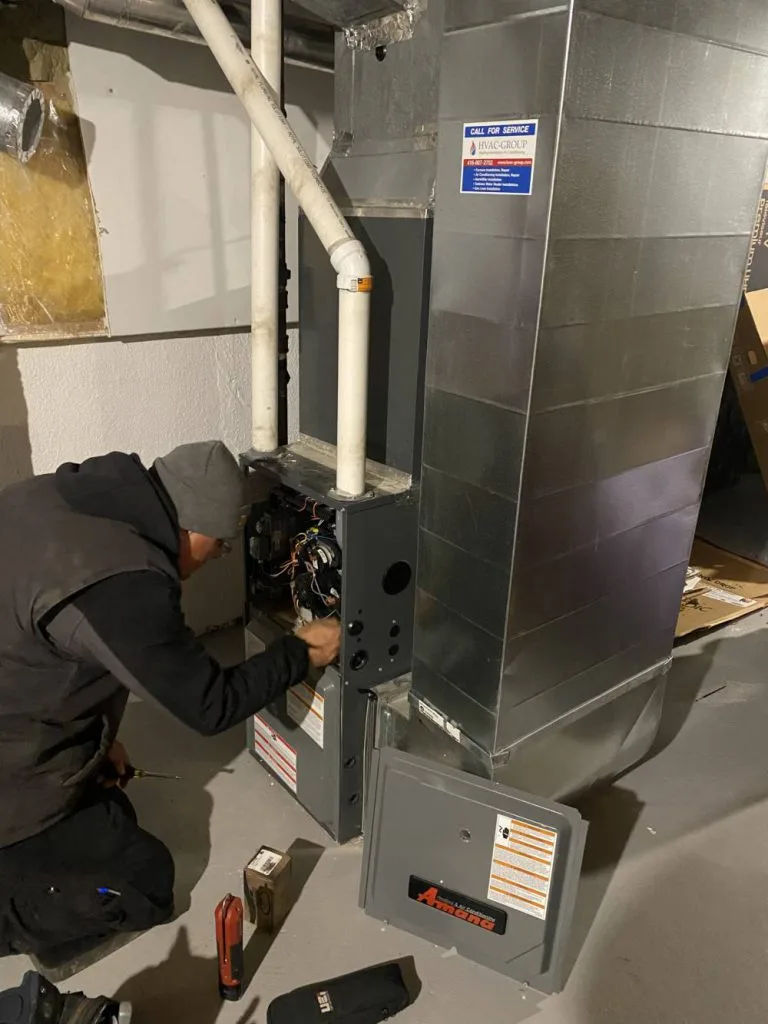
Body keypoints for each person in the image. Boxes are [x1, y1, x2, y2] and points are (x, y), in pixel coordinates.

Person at [0, 441, 340, 965]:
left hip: (17, 720)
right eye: (221, 547)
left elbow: (54, 649)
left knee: (112, 809)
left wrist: (97, 738)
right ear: (198, 527)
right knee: (145, 881)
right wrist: (301, 651)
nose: (215, 558)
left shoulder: (68, 494)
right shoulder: (120, 583)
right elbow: (211, 706)